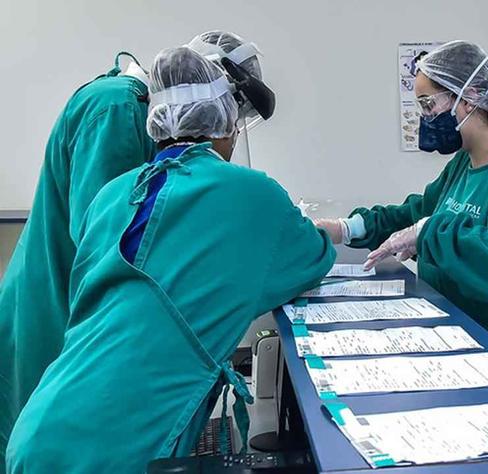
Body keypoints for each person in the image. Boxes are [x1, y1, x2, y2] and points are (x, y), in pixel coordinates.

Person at [6, 46, 335, 473]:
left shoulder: (111, 195)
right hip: (113, 448)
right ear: (227, 124)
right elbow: (313, 256)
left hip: (40, 426)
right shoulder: (251, 193)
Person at [315, 40, 488, 414]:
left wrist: (430, 232)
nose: (425, 118)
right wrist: (344, 228)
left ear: (470, 98)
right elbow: (416, 213)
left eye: (429, 105)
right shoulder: (465, 165)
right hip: (481, 352)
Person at [0, 51, 156, 465]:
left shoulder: (120, 102)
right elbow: (106, 239)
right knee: (44, 449)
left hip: (55, 295)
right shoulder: (118, 109)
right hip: (55, 308)